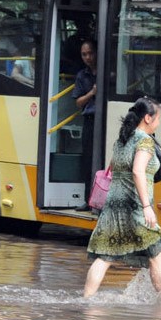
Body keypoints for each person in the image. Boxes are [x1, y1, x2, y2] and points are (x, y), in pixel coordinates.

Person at [83, 96, 161, 303]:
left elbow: (114, 168)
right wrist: (146, 206)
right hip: (135, 207)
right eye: (158, 118)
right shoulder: (144, 141)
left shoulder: (122, 139)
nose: (159, 123)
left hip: (113, 206)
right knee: (157, 255)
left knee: (104, 257)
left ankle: (86, 300)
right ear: (148, 118)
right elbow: (137, 172)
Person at [72, 39, 98, 211]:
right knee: (88, 160)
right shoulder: (82, 75)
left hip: (105, 119)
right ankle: (88, 199)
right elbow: (79, 102)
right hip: (90, 120)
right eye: (84, 54)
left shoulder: (108, 71)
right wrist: (92, 92)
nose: (88, 57)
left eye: (90, 53)